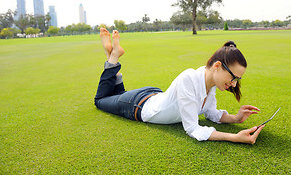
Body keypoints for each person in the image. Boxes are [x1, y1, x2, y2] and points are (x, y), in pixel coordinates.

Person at [94, 28, 265, 144]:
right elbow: (192, 128)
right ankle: (112, 56)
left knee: (116, 94)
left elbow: (210, 112)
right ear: (217, 66)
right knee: (101, 100)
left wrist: (236, 118)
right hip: (137, 105)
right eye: (233, 77)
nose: (234, 84)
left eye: (238, 80)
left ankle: (112, 56)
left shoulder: (211, 83)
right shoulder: (189, 79)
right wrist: (234, 137)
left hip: (152, 96)